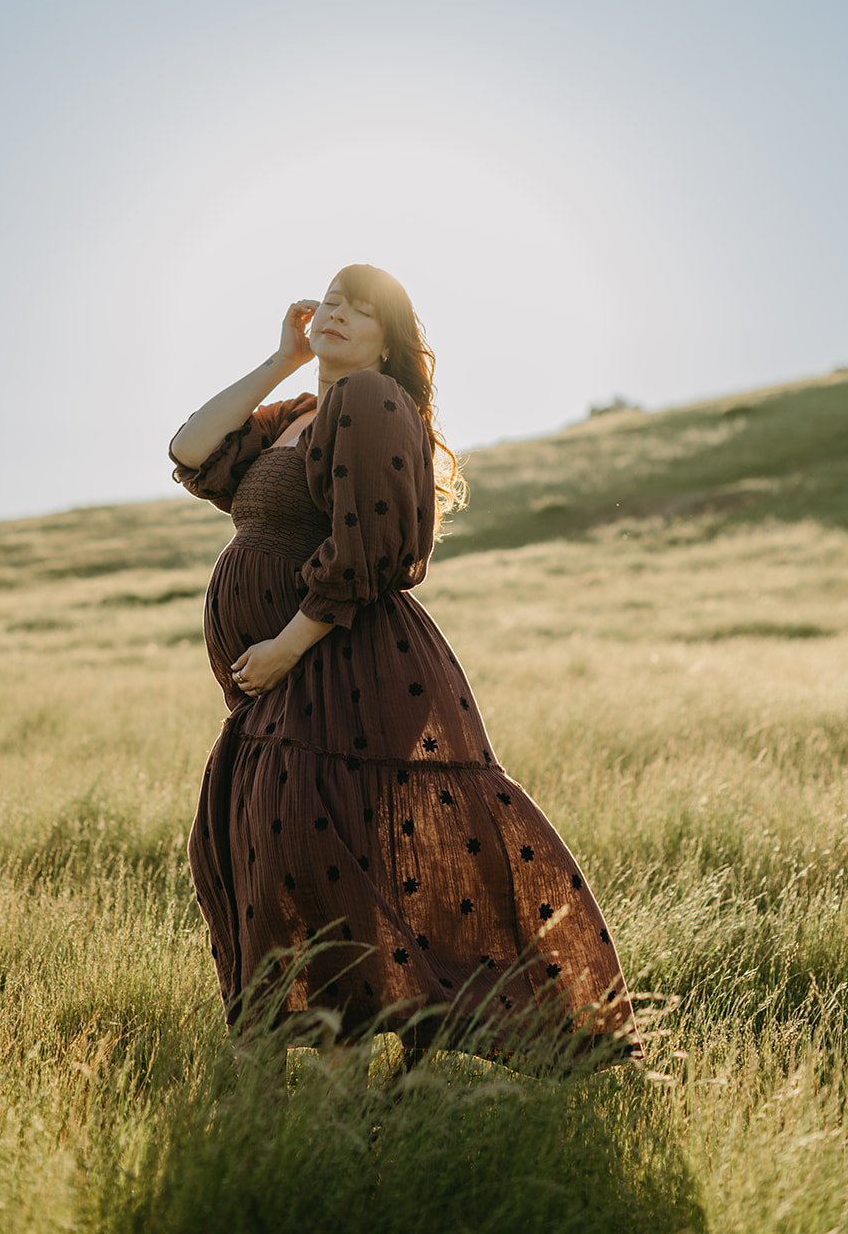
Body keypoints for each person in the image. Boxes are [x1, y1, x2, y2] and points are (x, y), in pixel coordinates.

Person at [169, 263, 647, 1078]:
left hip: (337, 661)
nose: (338, 314)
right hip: (284, 683)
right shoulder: (300, 412)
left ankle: (338, 1072)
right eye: (329, 302)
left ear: (390, 340)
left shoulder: (367, 401)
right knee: (276, 849)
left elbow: (381, 548)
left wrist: (286, 643)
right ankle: (332, 1070)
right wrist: (281, 359)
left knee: (297, 849)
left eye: (361, 309)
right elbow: (190, 450)